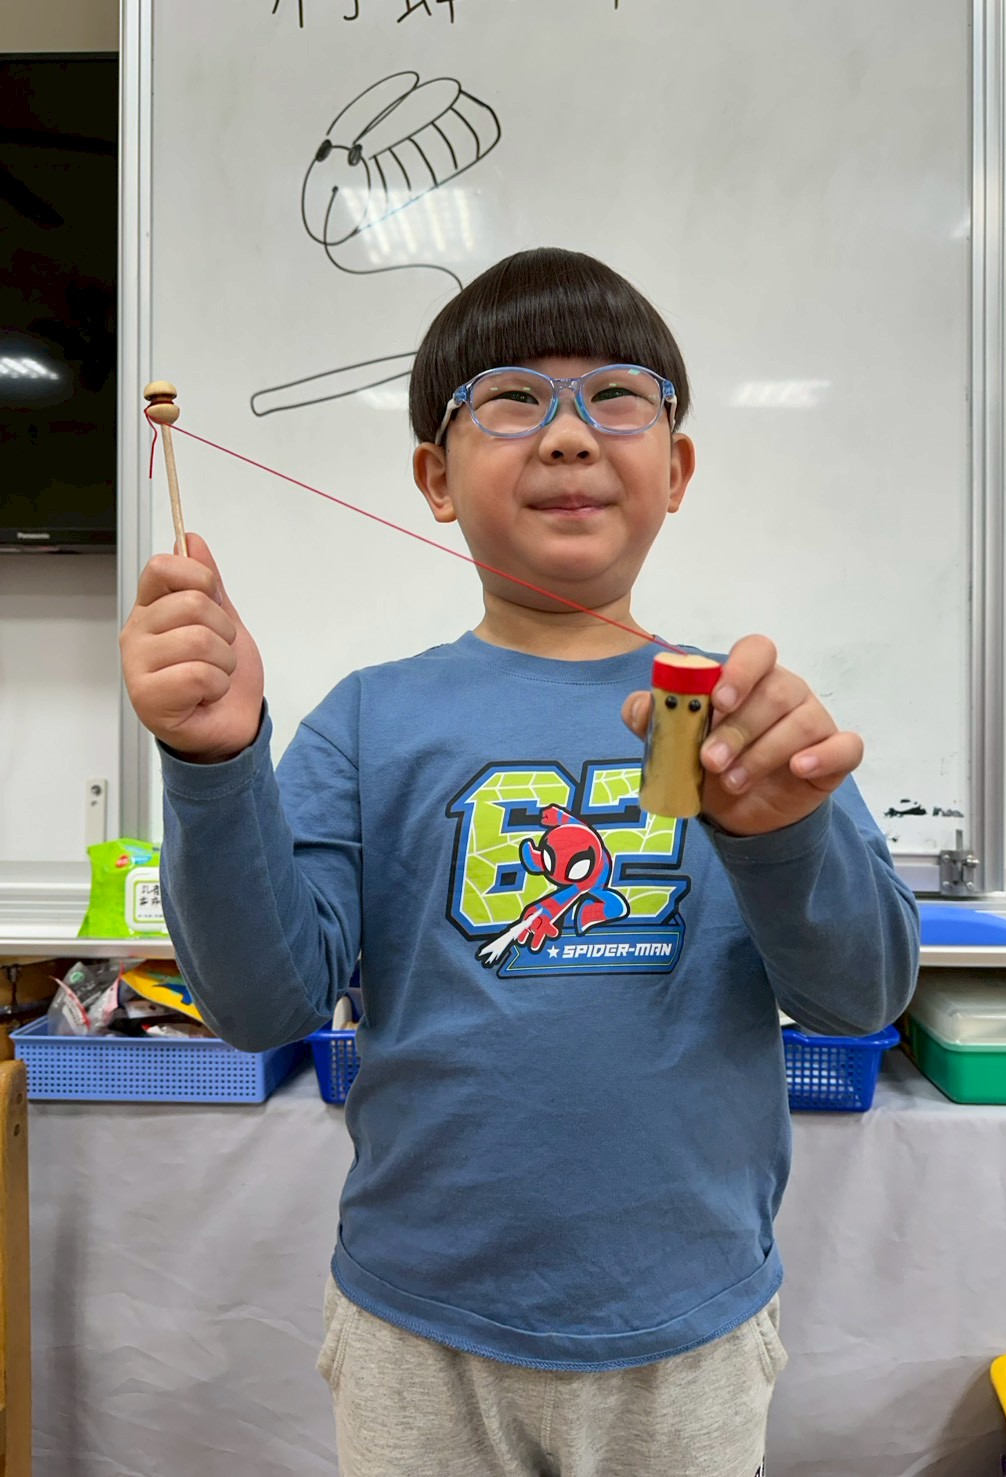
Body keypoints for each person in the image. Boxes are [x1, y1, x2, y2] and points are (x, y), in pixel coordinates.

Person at [120, 246, 920, 1477]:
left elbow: (858, 998)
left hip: (689, 1331)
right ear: (435, 478)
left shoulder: (738, 716)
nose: (567, 434)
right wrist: (213, 762)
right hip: (418, 1330)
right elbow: (263, 1005)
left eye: (617, 396)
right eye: (510, 398)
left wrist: (778, 837)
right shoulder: (372, 718)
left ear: (676, 467)